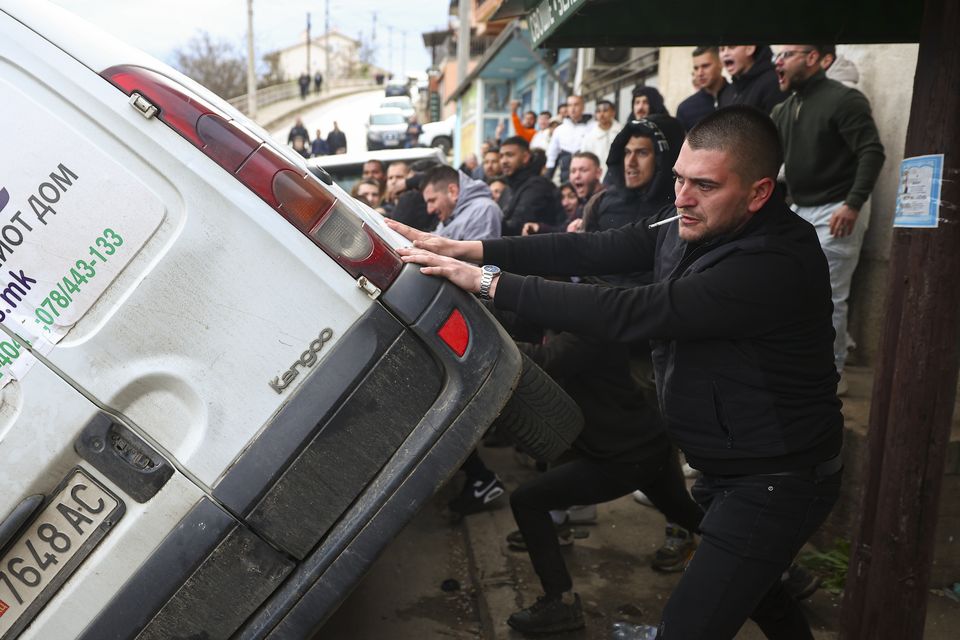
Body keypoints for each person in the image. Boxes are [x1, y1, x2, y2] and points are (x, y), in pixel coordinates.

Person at [391, 106, 843, 639]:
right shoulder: (690, 220)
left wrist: (487, 280)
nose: (681, 198)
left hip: (777, 477)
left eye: (704, 185)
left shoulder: (772, 262)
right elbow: (589, 245)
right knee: (763, 598)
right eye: (678, 179)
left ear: (759, 192)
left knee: (695, 621)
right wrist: (475, 248)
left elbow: (627, 311)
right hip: (726, 464)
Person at [772, 45, 885, 394]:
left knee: (828, 296)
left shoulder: (843, 99)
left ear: (814, 57)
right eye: (777, 55)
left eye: (787, 54)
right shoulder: (784, 108)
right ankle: (801, 365)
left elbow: (871, 151)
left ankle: (831, 375)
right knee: (790, 291)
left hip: (837, 209)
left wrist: (852, 204)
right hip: (799, 209)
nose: (778, 61)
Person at [499, 136, 564, 236]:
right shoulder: (508, 189)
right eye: (501, 156)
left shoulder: (537, 186)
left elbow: (518, 226)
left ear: (525, 157)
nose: (504, 161)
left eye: (509, 155)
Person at [526, 152, 603, 236]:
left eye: (583, 170)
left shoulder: (608, 199)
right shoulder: (583, 203)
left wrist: (588, 227)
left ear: (598, 173)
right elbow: (564, 229)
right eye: (573, 171)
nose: (577, 176)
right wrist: (538, 227)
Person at [421, 165, 501, 241]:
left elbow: (478, 254)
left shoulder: (483, 210)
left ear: (453, 191)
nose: (429, 210)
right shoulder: (449, 216)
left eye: (432, 201)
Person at [718, 45, 786, 114]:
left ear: (750, 48)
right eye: (721, 49)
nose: (725, 53)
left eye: (732, 47)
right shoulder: (727, 92)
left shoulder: (772, 83)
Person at [676, 46, 729, 131]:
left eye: (705, 66)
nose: (700, 73)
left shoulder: (739, 94)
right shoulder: (685, 108)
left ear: (720, 63)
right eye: (696, 68)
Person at [546, 95, 591, 183]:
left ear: (583, 107)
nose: (573, 108)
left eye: (576, 105)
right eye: (570, 105)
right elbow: (552, 155)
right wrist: (548, 176)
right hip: (566, 175)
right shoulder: (560, 130)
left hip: (587, 175)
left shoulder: (592, 127)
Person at [579, 100, 621, 179]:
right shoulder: (589, 137)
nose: (601, 114)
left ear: (613, 112)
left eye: (605, 111)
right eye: (598, 111)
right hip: (597, 179)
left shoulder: (621, 132)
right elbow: (584, 160)